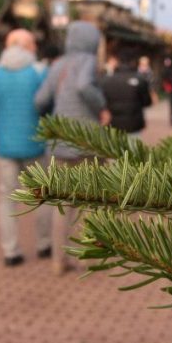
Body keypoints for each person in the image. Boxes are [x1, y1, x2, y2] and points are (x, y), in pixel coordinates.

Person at [34, 21, 111, 274]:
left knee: (62, 204)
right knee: (88, 202)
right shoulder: (88, 60)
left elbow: (40, 100)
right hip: (86, 141)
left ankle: (58, 261)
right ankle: (86, 258)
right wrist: (100, 106)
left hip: (58, 142)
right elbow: (84, 85)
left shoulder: (57, 65)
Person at [0, 29, 51, 268]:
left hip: (5, 148)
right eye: (33, 44)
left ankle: (11, 251)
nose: (35, 48)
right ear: (25, 46)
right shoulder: (39, 72)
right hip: (36, 146)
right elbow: (48, 105)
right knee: (42, 197)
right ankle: (44, 244)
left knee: (7, 199)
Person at [99, 47, 153, 136]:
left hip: (113, 125)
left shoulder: (106, 80)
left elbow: (102, 102)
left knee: (114, 149)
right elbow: (147, 102)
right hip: (134, 125)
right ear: (133, 61)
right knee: (131, 149)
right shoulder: (140, 80)